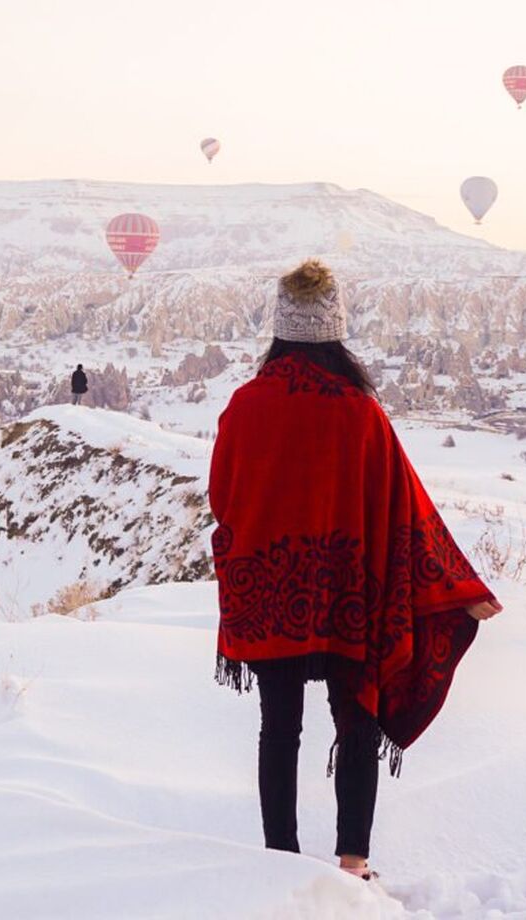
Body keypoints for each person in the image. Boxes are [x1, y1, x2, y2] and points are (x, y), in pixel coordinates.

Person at [209, 259, 501, 882]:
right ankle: (352, 861)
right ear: (335, 331)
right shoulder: (360, 412)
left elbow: (222, 496)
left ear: (280, 330)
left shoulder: (246, 404)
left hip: (267, 588)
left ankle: (279, 858)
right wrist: (457, 584)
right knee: (356, 720)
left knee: (278, 725)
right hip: (350, 592)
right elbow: (406, 504)